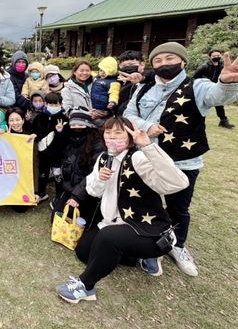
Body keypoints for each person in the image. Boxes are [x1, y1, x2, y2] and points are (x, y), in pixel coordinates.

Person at [124, 42, 238, 276]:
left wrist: (228, 83)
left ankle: (177, 245)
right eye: (157, 61)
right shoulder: (143, 89)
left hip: (183, 161)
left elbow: (218, 95)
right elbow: (129, 114)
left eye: (170, 59)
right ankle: (150, 247)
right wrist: (146, 126)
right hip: (146, 157)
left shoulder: (197, 86)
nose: (164, 64)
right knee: (145, 203)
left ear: (182, 61)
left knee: (178, 208)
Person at [56, 117, 189, 304]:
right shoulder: (104, 158)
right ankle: (139, 256)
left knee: (108, 239)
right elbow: (93, 190)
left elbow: (179, 183)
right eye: (108, 132)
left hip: (146, 226)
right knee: (84, 252)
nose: (112, 137)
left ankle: (86, 287)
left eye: (118, 132)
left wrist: (148, 146)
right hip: (114, 223)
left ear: (129, 135)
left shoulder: (138, 157)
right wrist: (100, 179)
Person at [52, 108, 104, 225]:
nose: (76, 127)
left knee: (82, 223)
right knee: (57, 219)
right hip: (69, 187)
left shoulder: (97, 144)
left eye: (81, 124)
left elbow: (93, 175)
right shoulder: (66, 139)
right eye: (73, 124)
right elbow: (52, 153)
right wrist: (58, 135)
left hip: (87, 190)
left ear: (89, 126)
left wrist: (77, 196)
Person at [32, 92, 68, 199]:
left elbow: (66, 138)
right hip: (42, 153)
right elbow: (34, 130)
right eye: (50, 104)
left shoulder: (64, 119)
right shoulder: (39, 117)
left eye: (55, 104)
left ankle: (60, 196)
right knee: (42, 174)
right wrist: (35, 136)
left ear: (61, 104)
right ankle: (41, 193)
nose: (53, 107)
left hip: (57, 154)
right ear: (45, 104)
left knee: (58, 176)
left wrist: (59, 132)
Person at [193, 49, 234, 129]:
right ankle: (197, 122)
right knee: (199, 105)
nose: (216, 57)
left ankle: (223, 121)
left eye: (218, 56)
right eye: (214, 56)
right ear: (210, 57)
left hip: (216, 87)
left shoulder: (222, 65)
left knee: (219, 104)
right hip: (205, 88)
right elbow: (195, 77)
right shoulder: (204, 66)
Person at [115, 50, 150, 116]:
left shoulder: (148, 81)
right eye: (124, 65)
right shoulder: (118, 80)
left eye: (132, 64)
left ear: (142, 65)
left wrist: (142, 77)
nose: (128, 67)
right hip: (119, 117)